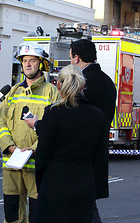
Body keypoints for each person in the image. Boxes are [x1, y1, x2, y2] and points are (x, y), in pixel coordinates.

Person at [33, 64, 107, 222]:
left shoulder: (53, 113)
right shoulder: (97, 115)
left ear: (58, 85)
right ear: (84, 85)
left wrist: (42, 183)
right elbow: (99, 156)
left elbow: (42, 154)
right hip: (83, 183)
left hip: (54, 182)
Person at [0, 41, 60, 223]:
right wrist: (9, 147)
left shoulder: (52, 93)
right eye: (24, 61)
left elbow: (54, 128)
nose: (27, 64)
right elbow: (1, 122)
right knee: (12, 215)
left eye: (32, 60)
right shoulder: (13, 92)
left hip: (37, 164)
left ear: (41, 64)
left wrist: (33, 149)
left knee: (37, 215)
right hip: (12, 164)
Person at [69, 39, 116, 223]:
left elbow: (76, 118)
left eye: (71, 56)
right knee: (85, 206)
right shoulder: (107, 81)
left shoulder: (83, 83)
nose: (71, 61)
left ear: (77, 57)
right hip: (99, 151)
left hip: (81, 156)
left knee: (84, 208)